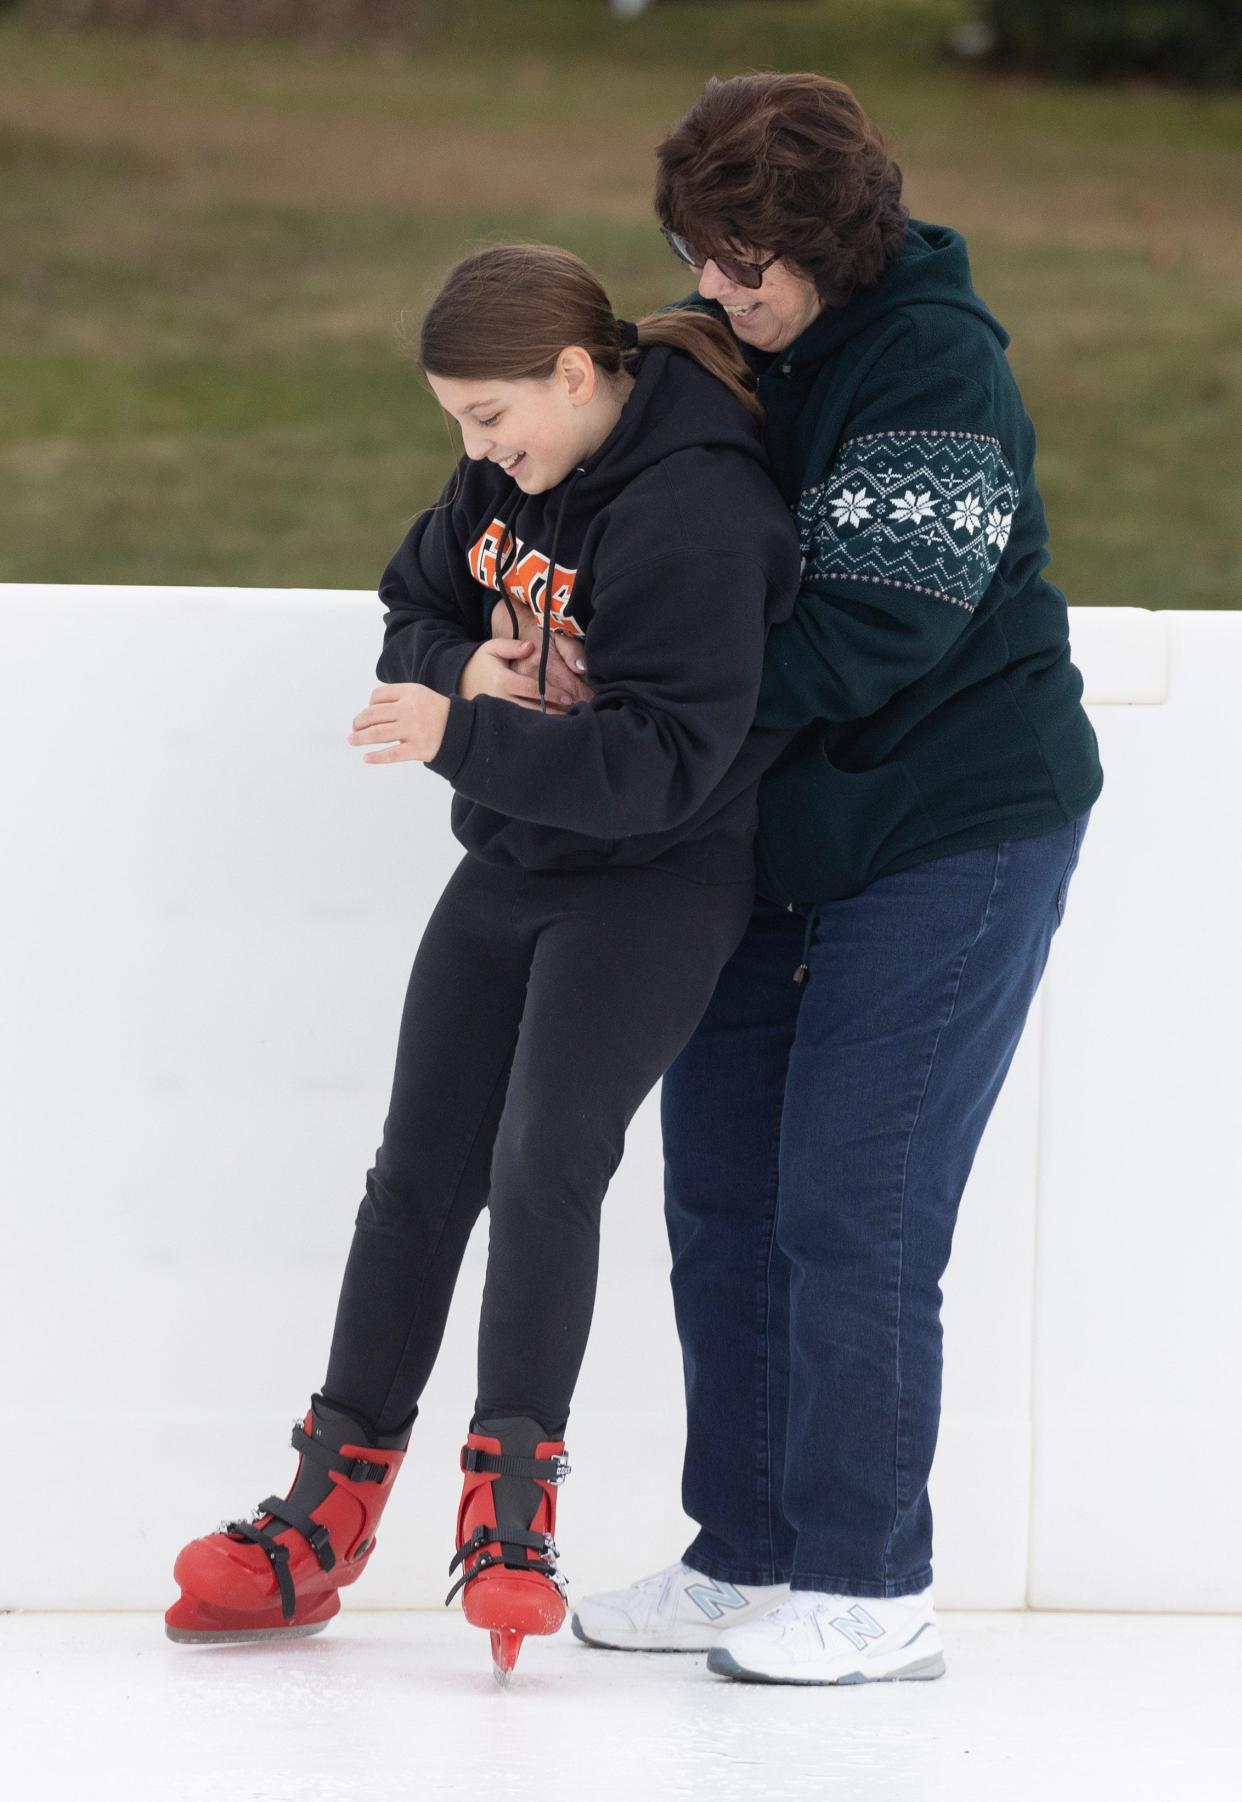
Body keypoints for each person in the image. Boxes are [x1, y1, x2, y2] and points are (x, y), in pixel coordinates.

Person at [163, 243, 802, 1678]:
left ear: (575, 376)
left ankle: (510, 1516)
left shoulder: (701, 512)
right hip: (512, 860)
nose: (477, 450)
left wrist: (464, 735)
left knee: (545, 1158)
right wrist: (464, 672)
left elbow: (666, 768)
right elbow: (415, 594)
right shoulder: (508, 482)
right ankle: (322, 1517)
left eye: (488, 415)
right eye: (457, 422)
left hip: (654, 883)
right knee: (415, 1172)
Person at [570, 72, 1104, 1686]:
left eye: (750, 260)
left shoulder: (932, 362)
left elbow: (873, 630)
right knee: (721, 1195)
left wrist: (641, 701)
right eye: (695, 249)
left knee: (849, 1205)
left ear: (837, 240)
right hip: (768, 827)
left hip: (952, 823)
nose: (716, 286)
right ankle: (745, 1553)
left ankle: (870, 1580)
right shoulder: (722, 345)